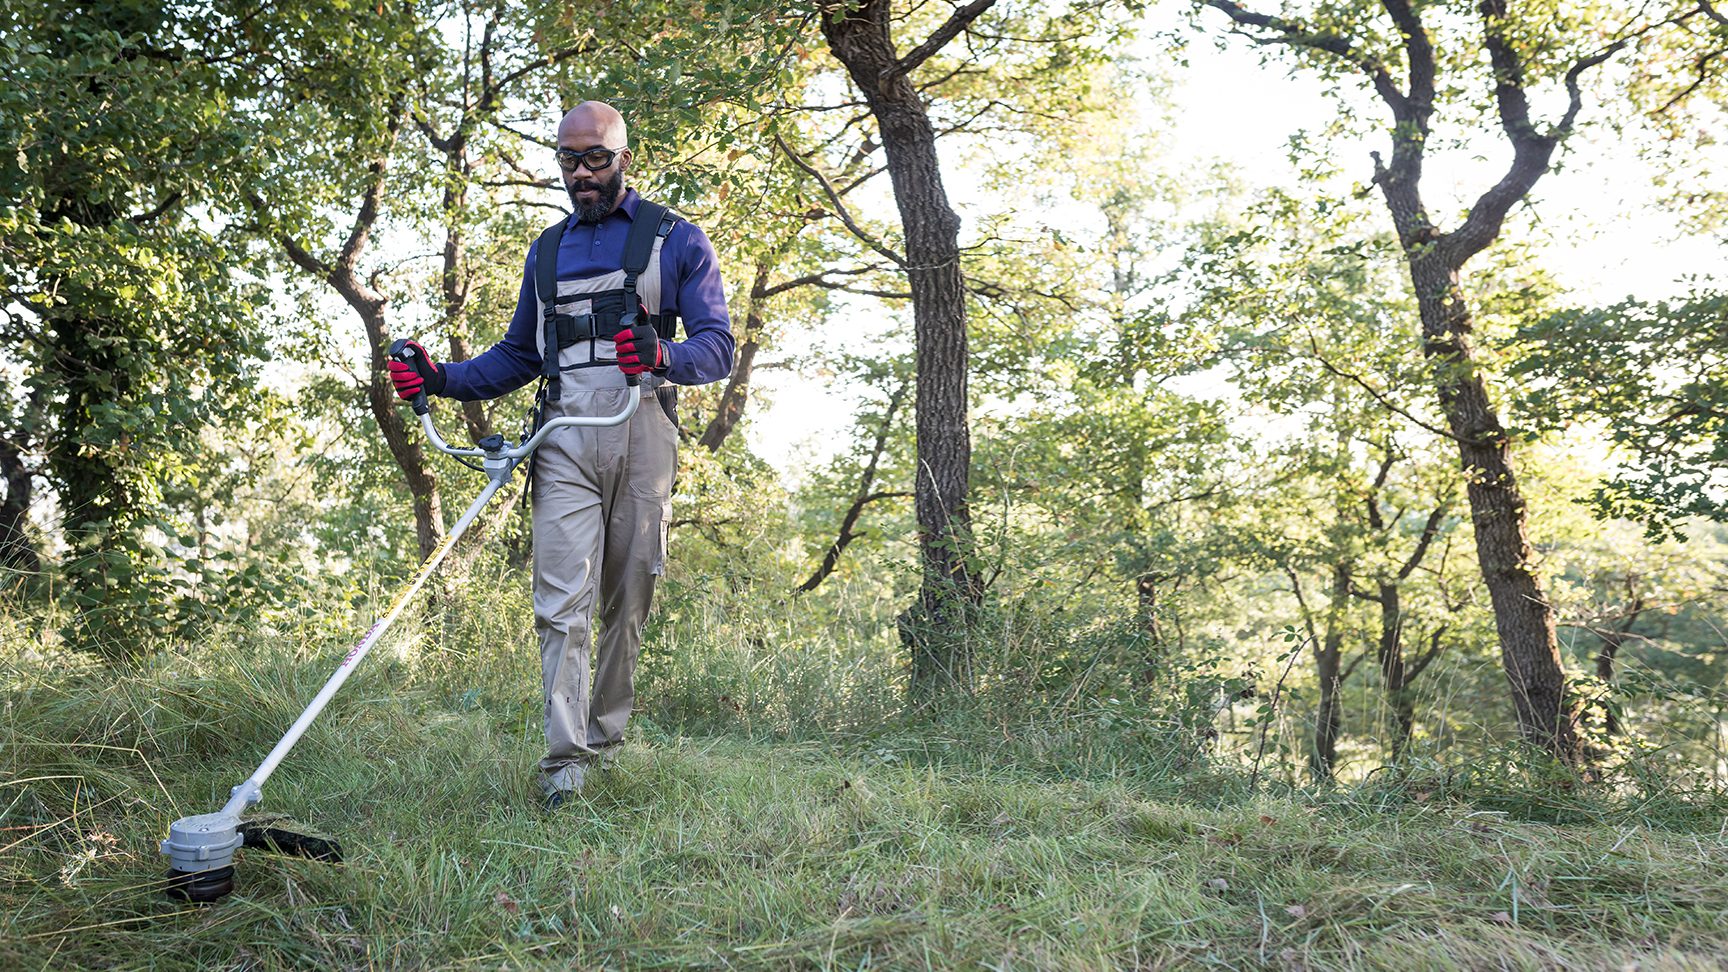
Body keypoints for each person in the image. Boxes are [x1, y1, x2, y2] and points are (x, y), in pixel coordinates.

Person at [387, 101, 733, 806]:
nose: (580, 173)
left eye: (594, 158)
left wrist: (663, 353)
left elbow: (717, 347)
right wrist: (441, 378)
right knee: (560, 603)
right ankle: (565, 764)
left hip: (643, 427)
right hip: (564, 436)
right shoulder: (547, 251)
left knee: (628, 595)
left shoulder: (676, 240)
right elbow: (520, 354)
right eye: (568, 160)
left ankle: (606, 737)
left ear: (623, 159)